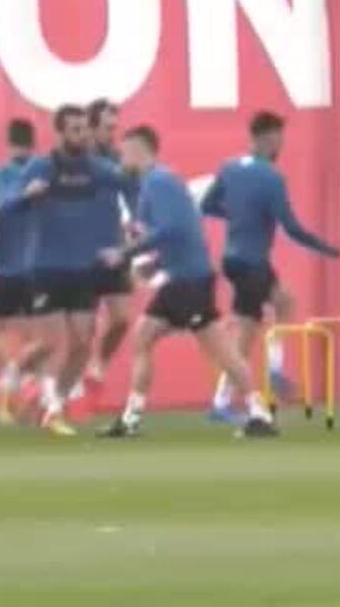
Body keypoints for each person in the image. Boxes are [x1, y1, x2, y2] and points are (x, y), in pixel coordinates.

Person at [98, 126, 278, 440]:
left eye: (126, 152)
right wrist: (154, 263)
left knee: (219, 350)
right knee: (144, 339)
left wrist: (127, 254)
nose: (121, 158)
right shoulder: (158, 182)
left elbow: (170, 229)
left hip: (189, 281)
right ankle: (131, 418)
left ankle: (259, 413)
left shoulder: (159, 182)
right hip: (185, 277)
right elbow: (183, 231)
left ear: (141, 150)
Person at [201, 111, 340, 424]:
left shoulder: (230, 167)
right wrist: (325, 248)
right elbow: (291, 227)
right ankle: (223, 401)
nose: (282, 145)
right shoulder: (271, 177)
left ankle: (274, 367)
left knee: (285, 300)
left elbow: (207, 205)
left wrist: (238, 216)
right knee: (245, 335)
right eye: (279, 138)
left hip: (236, 258)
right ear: (268, 138)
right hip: (252, 262)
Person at [17, 105, 131, 436]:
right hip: (47, 265)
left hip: (83, 266)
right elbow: (12, 200)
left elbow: (127, 181)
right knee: (53, 342)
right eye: (75, 129)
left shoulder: (96, 168)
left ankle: (55, 404)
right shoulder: (42, 167)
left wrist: (140, 180)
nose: (81, 135)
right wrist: (27, 196)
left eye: (83, 129)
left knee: (82, 342)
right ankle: (16, 379)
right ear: (61, 133)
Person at [0, 118, 51, 424]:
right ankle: (30, 395)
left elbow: (2, 206)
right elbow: (6, 207)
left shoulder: (4, 174)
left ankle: (11, 381)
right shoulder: (41, 173)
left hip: (16, 267)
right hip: (31, 266)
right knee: (36, 336)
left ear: (8, 142)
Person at [83, 99, 136, 408]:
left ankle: (97, 365)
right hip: (83, 252)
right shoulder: (79, 162)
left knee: (120, 319)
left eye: (116, 127)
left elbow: (131, 195)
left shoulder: (117, 159)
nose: (113, 133)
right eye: (107, 127)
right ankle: (74, 388)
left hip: (114, 248)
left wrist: (137, 222)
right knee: (83, 327)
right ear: (91, 128)